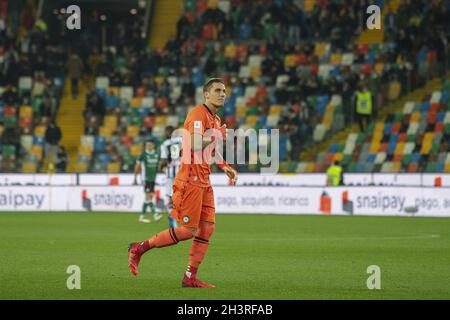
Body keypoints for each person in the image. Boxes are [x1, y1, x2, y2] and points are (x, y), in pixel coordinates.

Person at [127, 78, 238, 288]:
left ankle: (190, 277)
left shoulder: (215, 119)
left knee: (207, 230)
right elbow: (194, 143)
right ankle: (139, 248)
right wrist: (215, 135)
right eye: (217, 90)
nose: (222, 94)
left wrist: (226, 167)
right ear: (206, 94)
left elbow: (210, 151)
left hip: (205, 182)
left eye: (224, 91)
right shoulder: (198, 114)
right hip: (190, 181)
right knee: (188, 230)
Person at [158, 126, 183, 228]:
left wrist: (160, 166)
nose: (165, 133)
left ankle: (173, 220)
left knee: (169, 196)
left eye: (166, 131)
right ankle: (184, 219)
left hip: (170, 172)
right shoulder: (181, 139)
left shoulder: (165, 144)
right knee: (181, 195)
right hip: (182, 171)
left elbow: (164, 160)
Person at [133, 139, 162, 223]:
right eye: (147, 145)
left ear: (153, 145)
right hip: (145, 179)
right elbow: (137, 166)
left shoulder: (156, 154)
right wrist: (135, 177)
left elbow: (158, 165)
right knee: (149, 197)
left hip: (153, 178)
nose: (148, 146)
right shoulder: (143, 155)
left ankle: (142, 217)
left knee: (148, 198)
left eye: (150, 145)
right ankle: (155, 215)